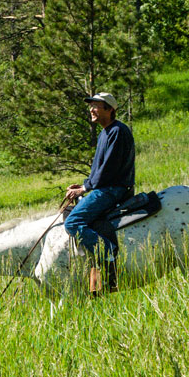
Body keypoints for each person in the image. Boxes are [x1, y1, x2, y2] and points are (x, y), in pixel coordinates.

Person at [63, 92, 135, 293]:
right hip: (106, 187)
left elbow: (109, 169)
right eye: (91, 106)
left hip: (114, 190)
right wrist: (84, 185)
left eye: (96, 106)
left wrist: (85, 188)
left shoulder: (117, 131)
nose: (91, 110)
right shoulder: (106, 132)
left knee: (73, 222)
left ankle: (107, 250)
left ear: (110, 109)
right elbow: (99, 170)